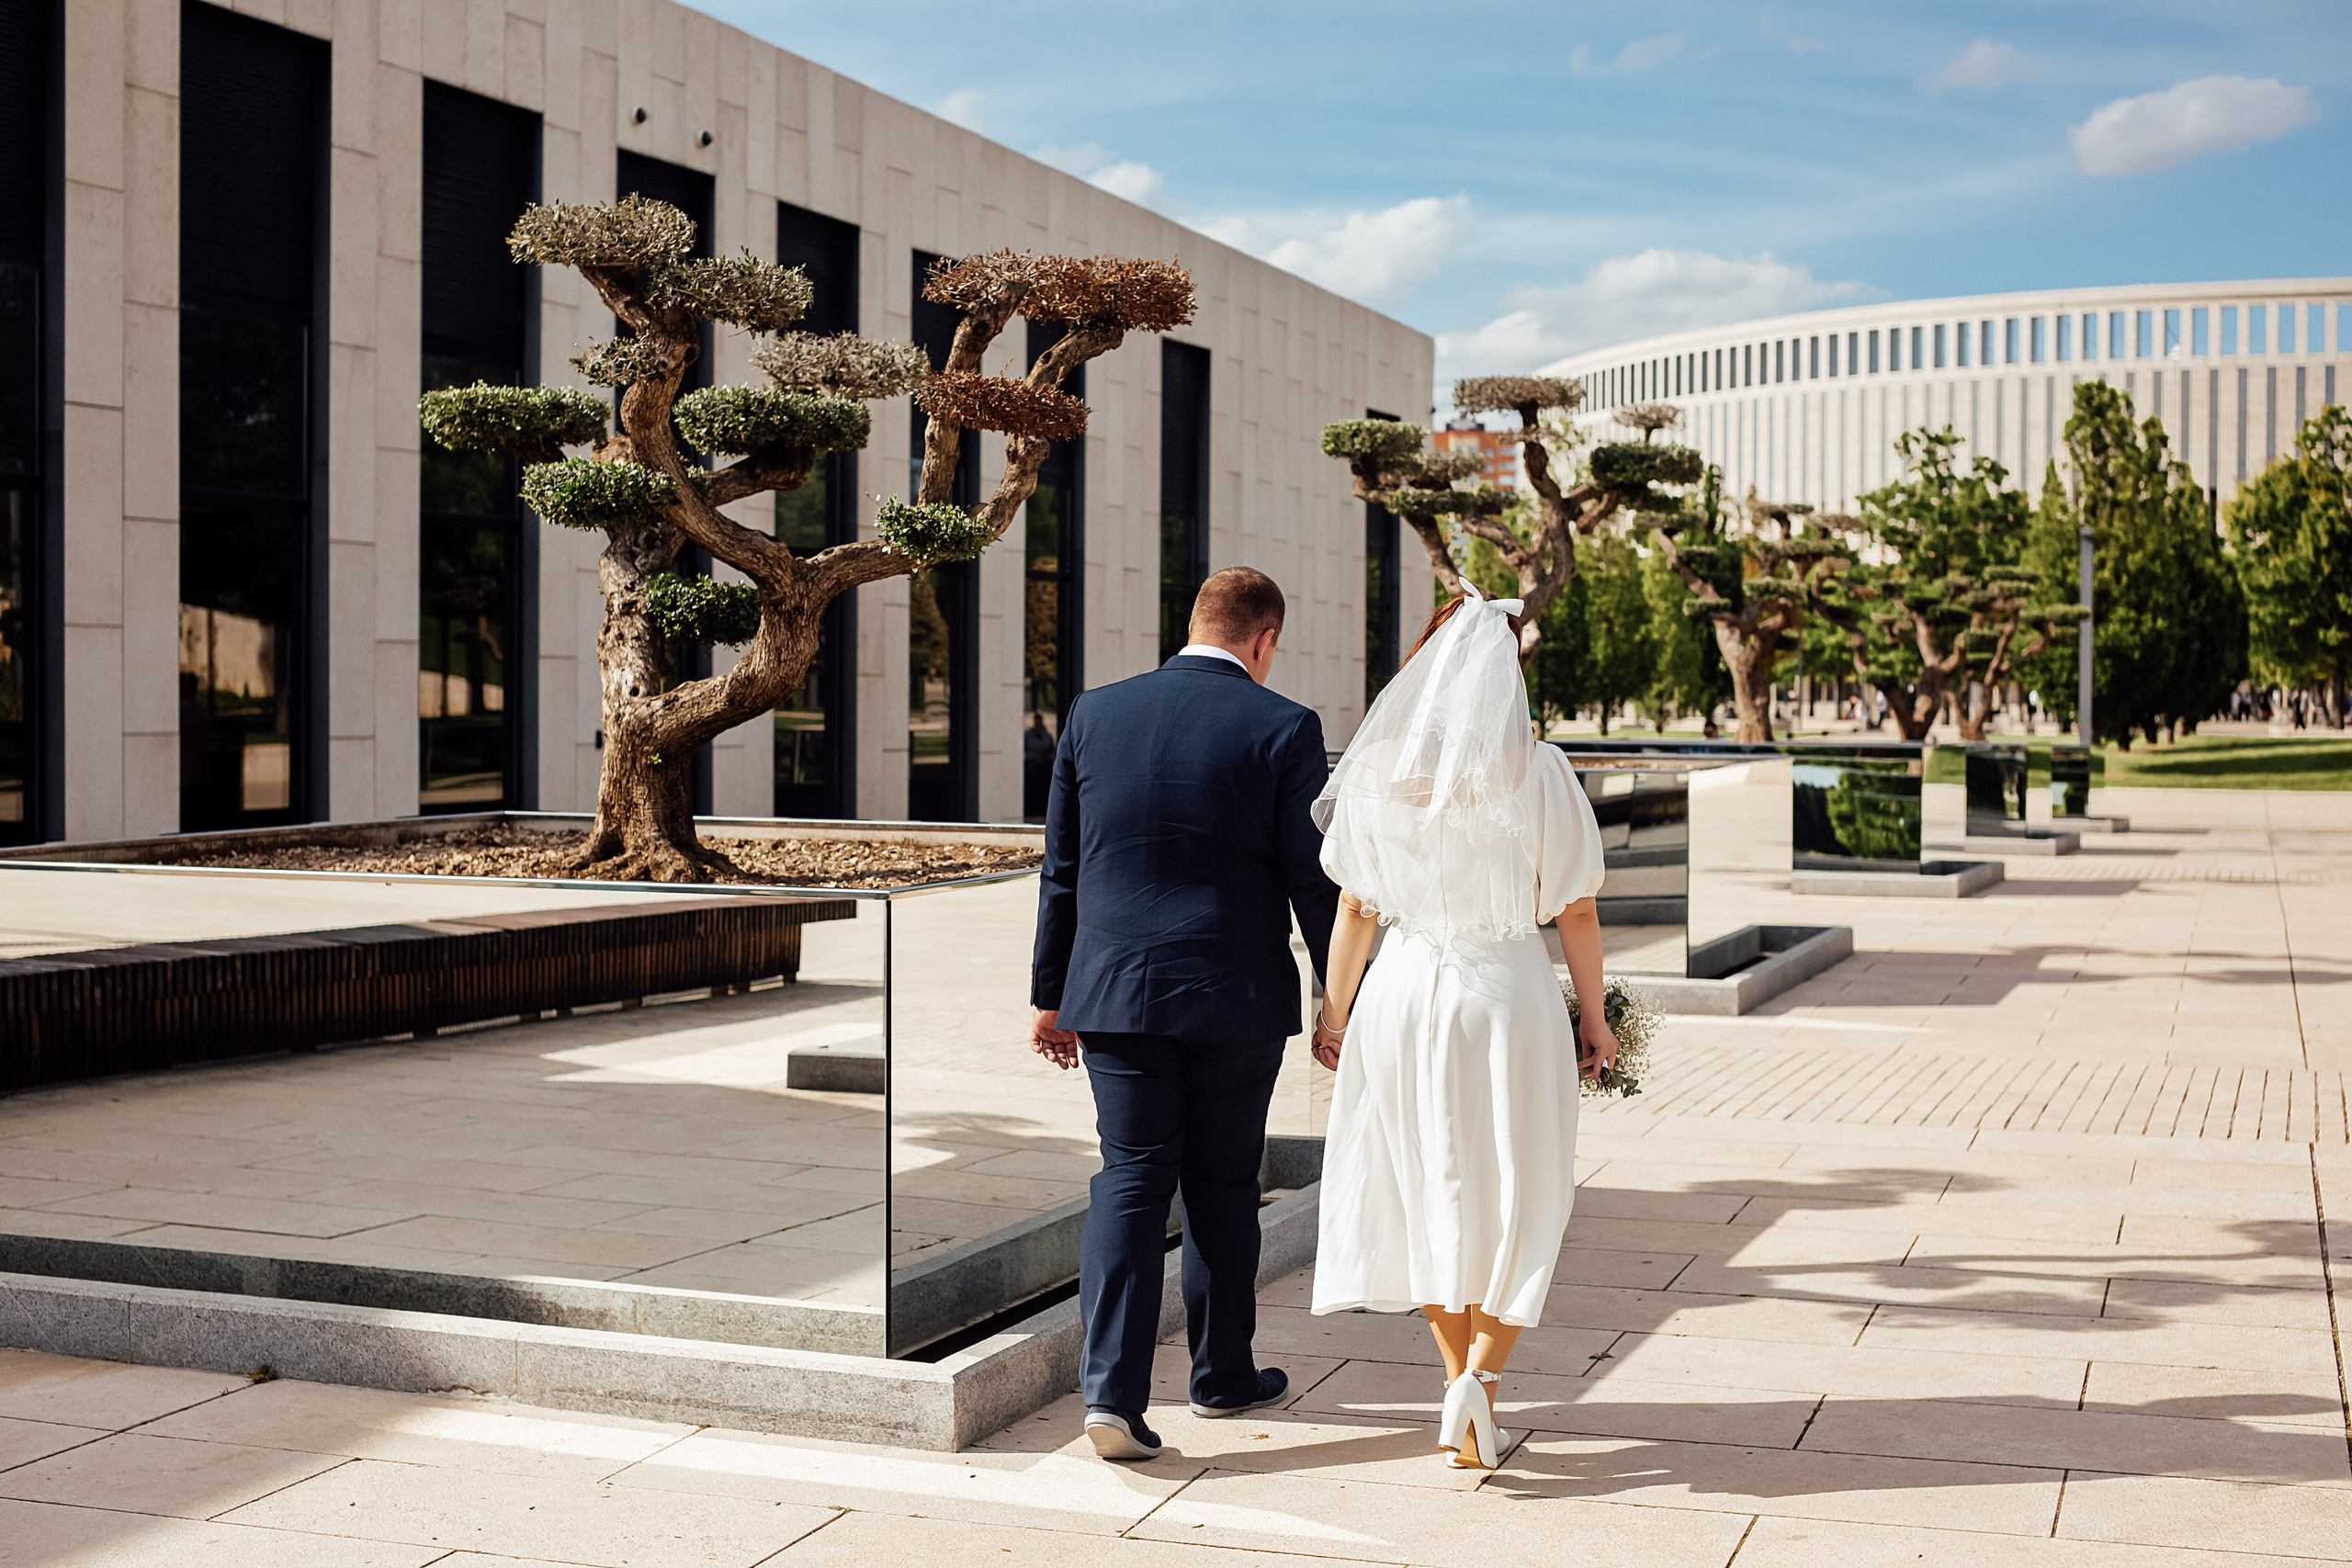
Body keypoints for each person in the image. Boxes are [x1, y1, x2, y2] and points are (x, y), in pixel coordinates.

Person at [1028, 566, 1340, 1461]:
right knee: (1221, 1184)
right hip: (1233, 997)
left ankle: (1110, 1399)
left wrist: (1052, 995)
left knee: (1129, 1177)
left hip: (1115, 993)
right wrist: (1339, 1000)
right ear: (1263, 639)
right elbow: (1310, 881)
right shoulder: (1284, 726)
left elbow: (1063, 869)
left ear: (1193, 622)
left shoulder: (1095, 713)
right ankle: (1220, 1377)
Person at [1308, 585, 1616, 1471]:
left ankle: (1460, 1393)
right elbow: (1580, 910)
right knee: (1526, 1188)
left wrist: (1334, 1017)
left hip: (1402, 995)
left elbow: (1356, 912)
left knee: (1426, 1188)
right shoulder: (1543, 771)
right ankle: (1479, 1381)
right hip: (1509, 995)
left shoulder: (1376, 778)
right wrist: (1593, 1017)